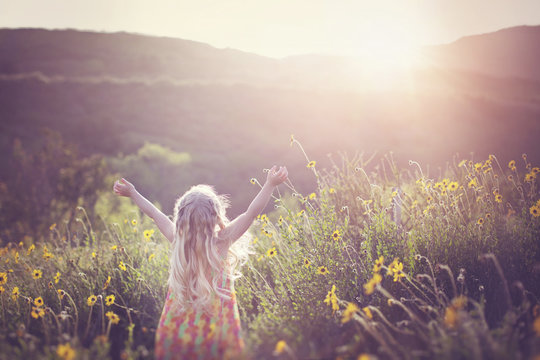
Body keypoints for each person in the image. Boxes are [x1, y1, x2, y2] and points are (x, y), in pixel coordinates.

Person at [113, 165, 288, 360]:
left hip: (177, 331)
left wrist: (133, 193)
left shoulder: (178, 241)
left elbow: (155, 214)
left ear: (181, 218)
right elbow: (251, 213)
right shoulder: (222, 241)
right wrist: (270, 184)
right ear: (216, 216)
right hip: (217, 332)